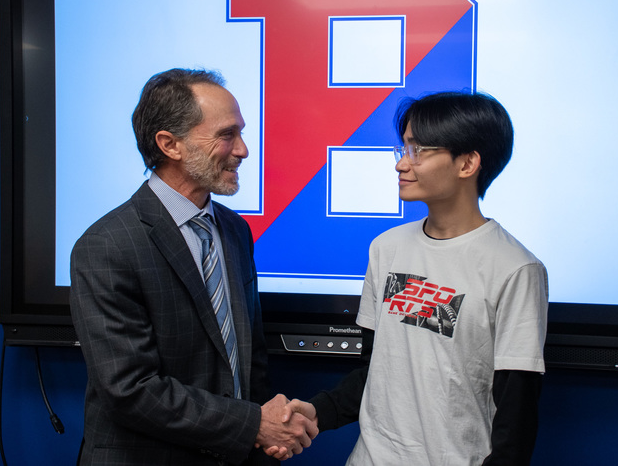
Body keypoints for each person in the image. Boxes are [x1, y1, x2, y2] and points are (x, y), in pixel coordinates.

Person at [277, 91, 549, 465]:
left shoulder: (515, 269)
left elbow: (516, 413)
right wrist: (319, 412)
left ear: (467, 163)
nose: (402, 164)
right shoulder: (385, 248)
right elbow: (376, 370)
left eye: (419, 150)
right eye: (403, 149)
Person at [70, 68, 317, 465]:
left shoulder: (234, 230)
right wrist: (253, 424)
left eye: (241, 133)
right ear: (170, 145)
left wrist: (265, 433)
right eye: (226, 135)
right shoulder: (106, 246)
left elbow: (248, 356)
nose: (243, 150)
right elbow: (130, 390)